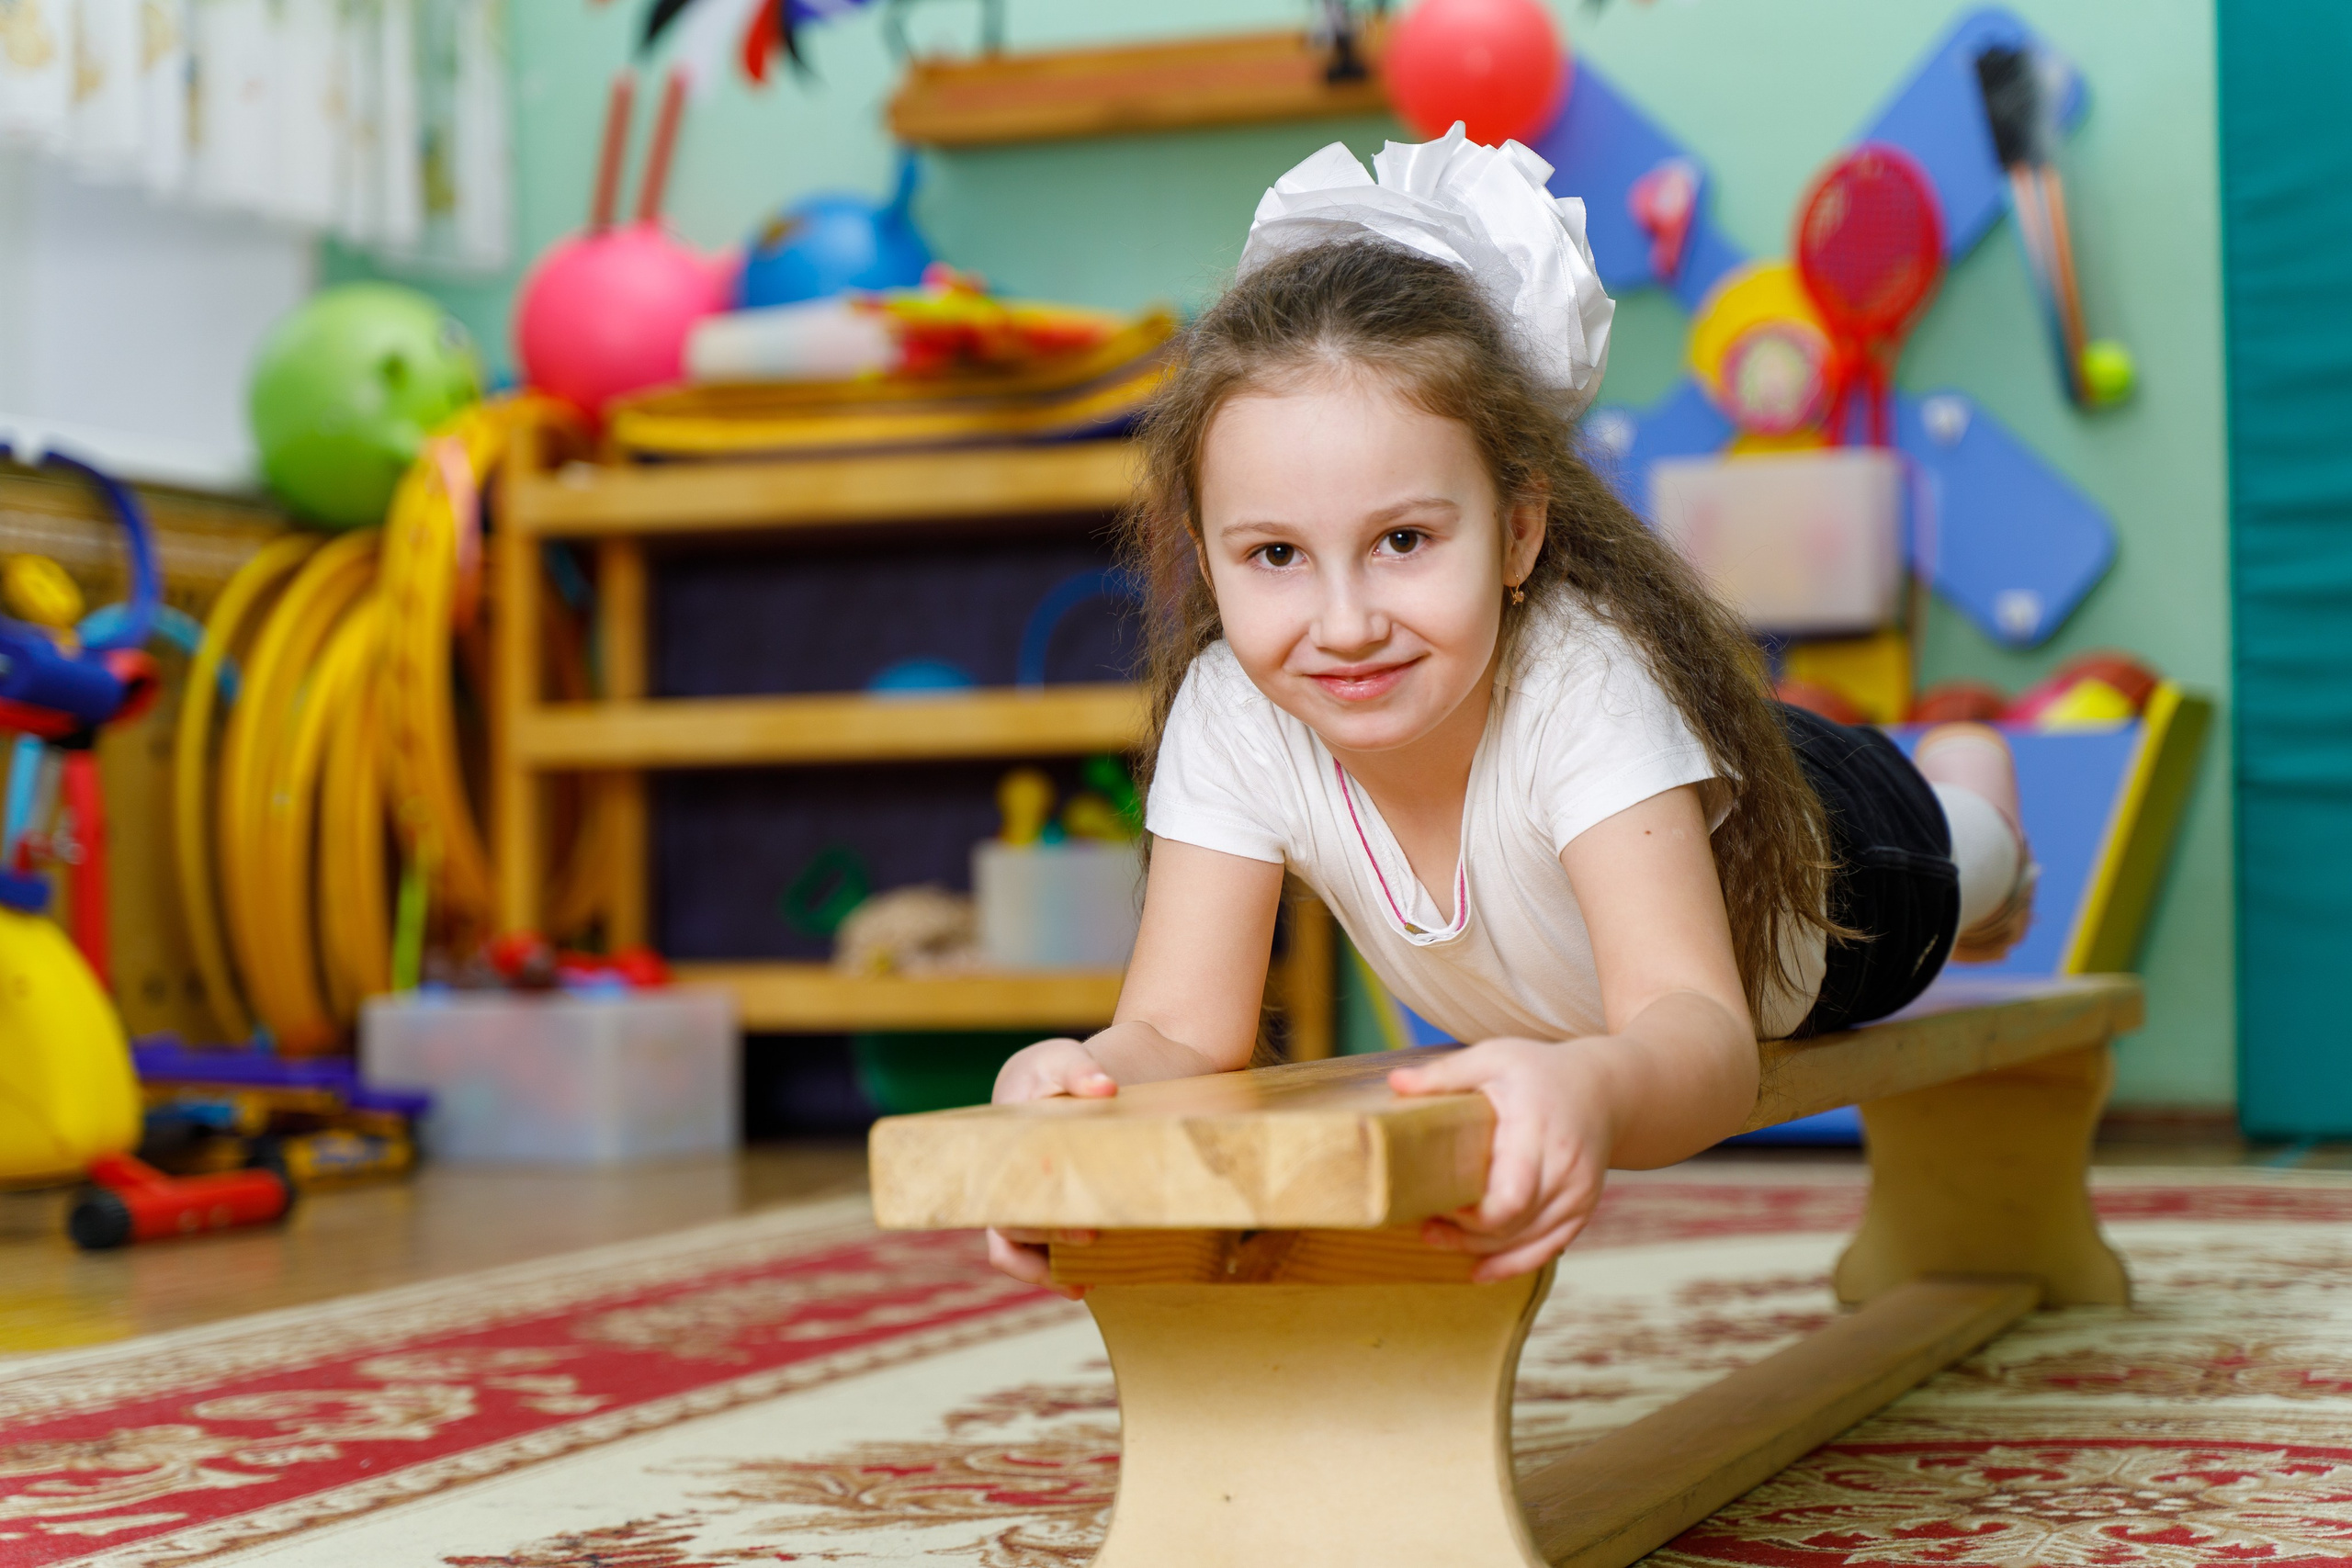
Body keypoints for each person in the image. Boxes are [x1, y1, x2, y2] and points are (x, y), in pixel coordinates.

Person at [986, 128, 2036, 1297]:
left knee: (1964, 867)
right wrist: (1078, 1081)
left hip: (1833, 865)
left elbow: (1693, 1027)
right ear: (1206, 557)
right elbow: (1181, 1032)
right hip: (1649, 801)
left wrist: (1591, 1085)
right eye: (1275, 553)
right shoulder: (1234, 706)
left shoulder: (1583, 683)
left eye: (1402, 542)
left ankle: (1969, 784)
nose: (1342, 624)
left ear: (1519, 531)